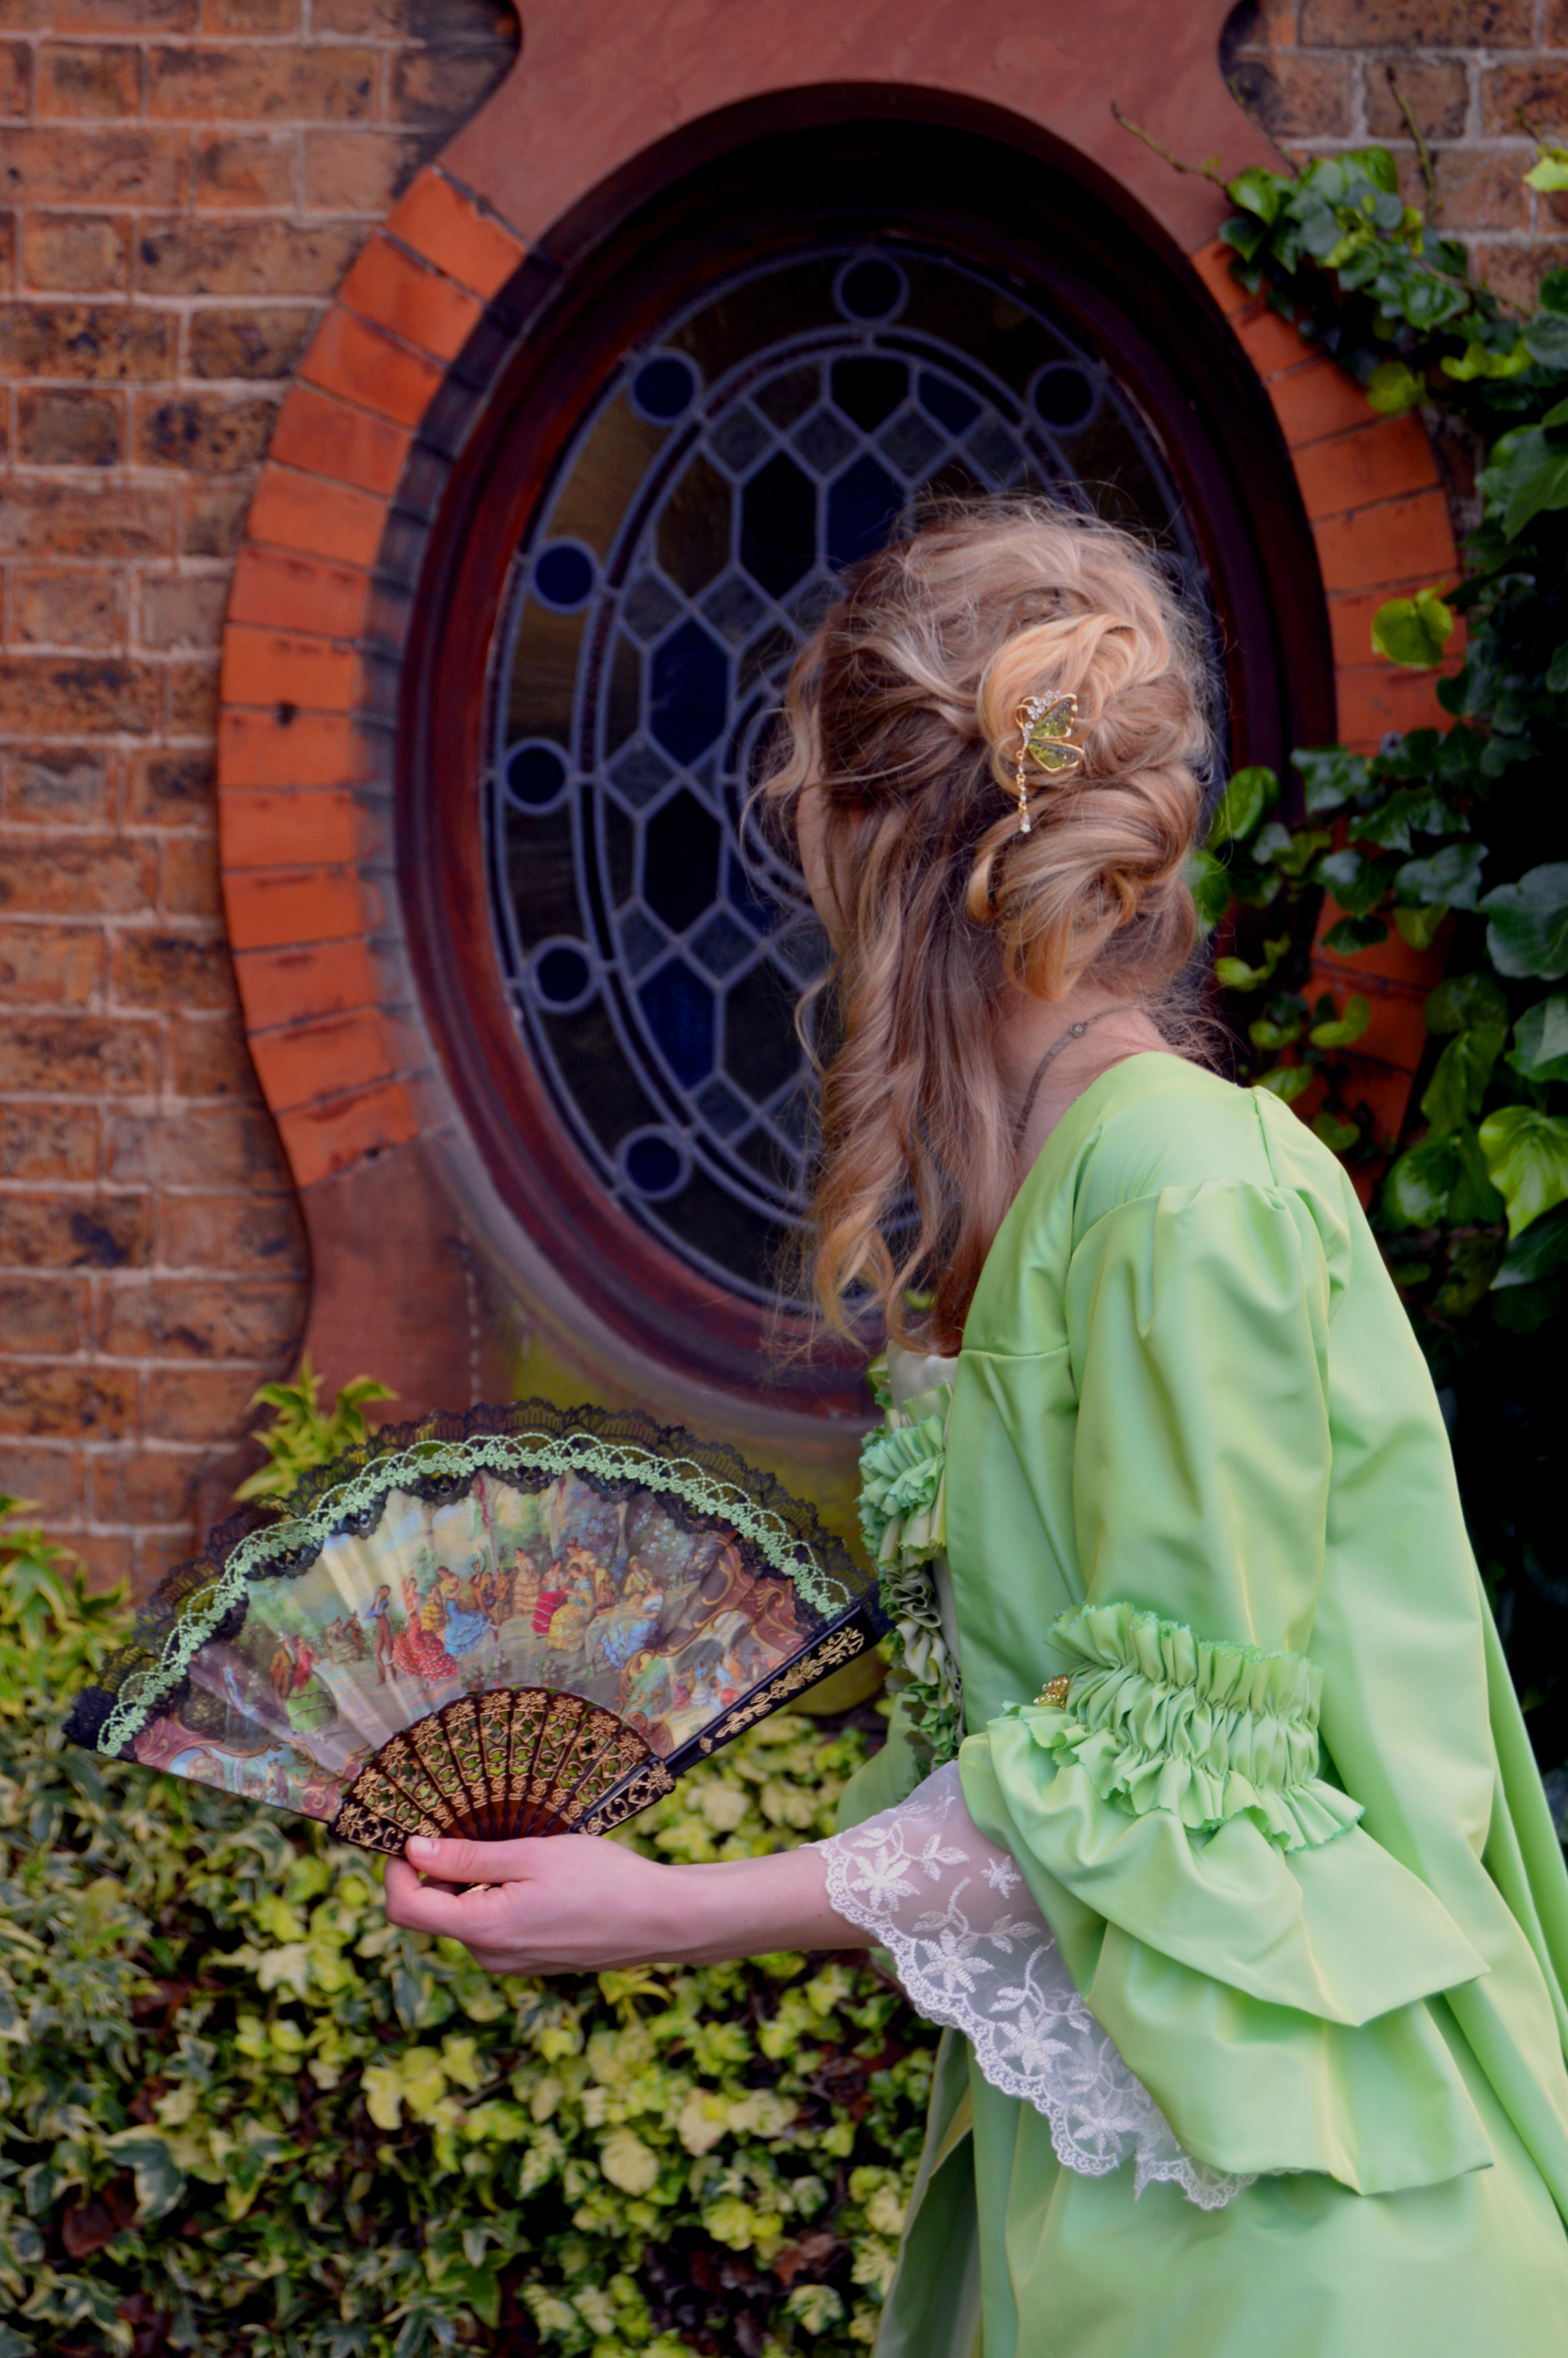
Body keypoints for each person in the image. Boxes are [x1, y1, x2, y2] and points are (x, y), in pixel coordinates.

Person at [383, 501, 1568, 2355]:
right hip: (1119, 2194)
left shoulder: (1181, 1190)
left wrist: (673, 1906)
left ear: (869, 838)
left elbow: (1179, 1799)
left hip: (1303, 2234)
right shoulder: (1053, 1205)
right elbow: (1050, 1776)